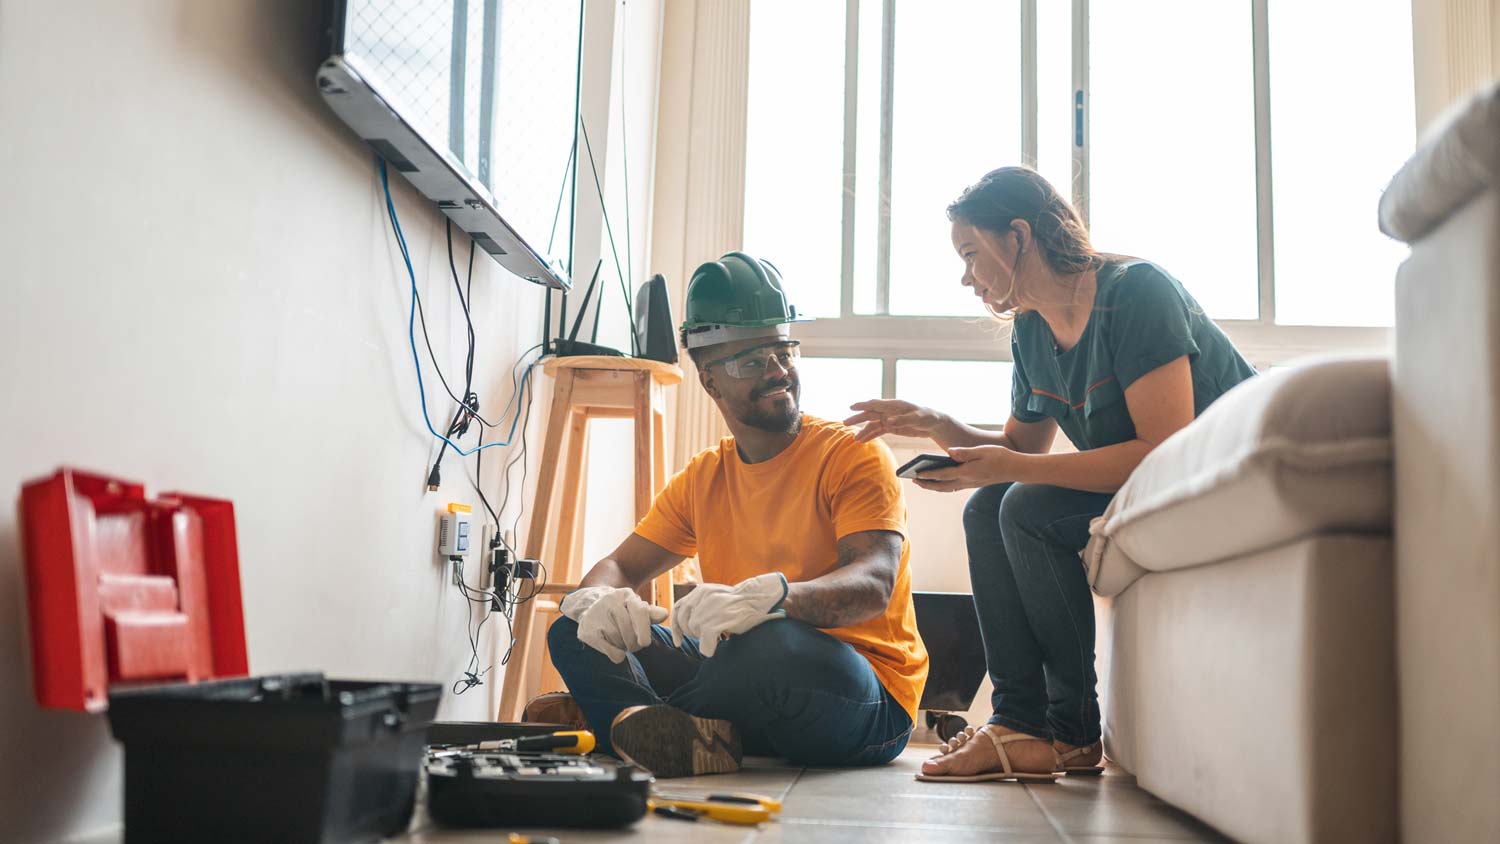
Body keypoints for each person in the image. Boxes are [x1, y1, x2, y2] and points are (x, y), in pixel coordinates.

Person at [845, 166, 1256, 782]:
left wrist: (1012, 467)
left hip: (1211, 473)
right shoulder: (1033, 330)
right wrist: (936, 423)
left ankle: (1069, 734)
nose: (965, 276)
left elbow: (1164, 448)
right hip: (1145, 479)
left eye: (970, 254)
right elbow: (1019, 446)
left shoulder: (1135, 292)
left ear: (1017, 236)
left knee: (1024, 507)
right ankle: (1019, 722)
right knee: (989, 505)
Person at [541, 251, 928, 778]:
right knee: (571, 626)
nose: (778, 371)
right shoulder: (705, 478)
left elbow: (875, 581)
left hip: (865, 698)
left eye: (784, 350)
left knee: (769, 646)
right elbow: (621, 565)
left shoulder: (852, 455)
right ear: (709, 381)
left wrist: (781, 598)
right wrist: (599, 598)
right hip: (744, 681)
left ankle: (622, 722)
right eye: (752, 361)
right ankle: (686, 737)